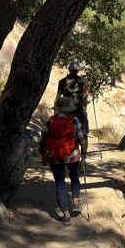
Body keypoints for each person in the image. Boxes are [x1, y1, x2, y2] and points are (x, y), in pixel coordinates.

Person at [39, 96, 88, 226]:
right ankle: (76, 202)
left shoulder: (50, 121)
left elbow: (44, 138)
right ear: (68, 109)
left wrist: (43, 152)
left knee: (60, 185)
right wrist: (84, 153)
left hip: (55, 157)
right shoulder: (74, 120)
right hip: (72, 156)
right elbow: (82, 139)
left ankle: (66, 216)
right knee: (74, 177)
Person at [57, 59, 92, 135]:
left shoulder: (62, 81)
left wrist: (56, 112)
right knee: (84, 133)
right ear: (78, 70)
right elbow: (89, 99)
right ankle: (84, 145)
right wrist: (84, 103)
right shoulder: (84, 81)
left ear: (69, 69)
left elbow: (58, 97)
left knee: (66, 133)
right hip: (80, 111)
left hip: (66, 112)